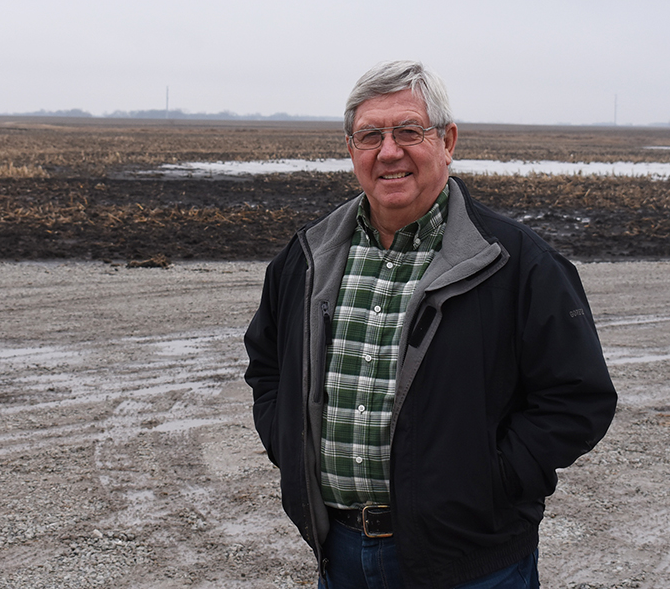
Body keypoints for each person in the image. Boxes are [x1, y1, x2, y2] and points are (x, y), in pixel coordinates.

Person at [244, 60, 616, 588]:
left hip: (472, 564)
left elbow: (578, 398)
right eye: (369, 135)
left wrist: (493, 480)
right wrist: (290, 449)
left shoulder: (517, 262)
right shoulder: (306, 260)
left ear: (448, 141)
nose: (388, 151)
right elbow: (267, 368)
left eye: (408, 132)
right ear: (351, 149)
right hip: (341, 554)